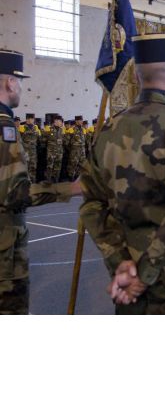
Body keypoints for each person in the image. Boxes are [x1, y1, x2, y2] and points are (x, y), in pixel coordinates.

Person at [80, 32, 165, 315]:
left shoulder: (108, 130)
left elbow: (92, 205)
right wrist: (145, 274)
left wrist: (121, 263)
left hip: (126, 276)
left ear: (138, 77)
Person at [0, 50, 80, 314]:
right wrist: (73, 188)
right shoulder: (5, 129)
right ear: (10, 82)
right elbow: (14, 193)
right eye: (19, 80)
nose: (21, 86)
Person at [19, 113, 41, 183]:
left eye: (31, 119)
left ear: (34, 120)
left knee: (33, 168)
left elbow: (39, 139)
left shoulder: (36, 128)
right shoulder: (22, 127)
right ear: (26, 119)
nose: (29, 120)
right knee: (25, 169)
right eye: (28, 119)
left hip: (33, 152)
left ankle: (33, 184)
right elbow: (18, 140)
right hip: (25, 152)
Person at [44, 115, 65, 183]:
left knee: (57, 168)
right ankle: (48, 182)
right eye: (59, 121)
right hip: (51, 152)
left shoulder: (62, 130)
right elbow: (43, 140)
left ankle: (56, 181)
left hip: (59, 152)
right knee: (49, 167)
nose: (60, 123)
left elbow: (63, 141)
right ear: (55, 121)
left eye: (61, 121)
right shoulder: (49, 129)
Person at [66, 115, 87, 180]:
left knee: (81, 166)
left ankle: (78, 179)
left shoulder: (83, 130)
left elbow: (85, 140)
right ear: (76, 121)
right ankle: (71, 179)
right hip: (74, 152)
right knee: (72, 166)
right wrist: (72, 150)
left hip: (82, 152)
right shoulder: (72, 130)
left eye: (81, 120)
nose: (80, 122)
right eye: (78, 120)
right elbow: (66, 142)